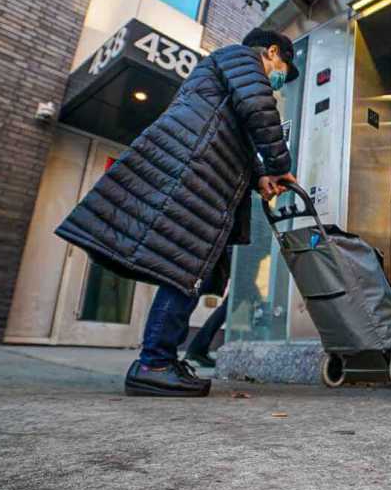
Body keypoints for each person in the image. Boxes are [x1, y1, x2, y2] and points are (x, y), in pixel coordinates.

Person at [56, 28, 298, 397]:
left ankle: (160, 358)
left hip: (198, 173)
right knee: (187, 268)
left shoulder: (227, 72)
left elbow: (233, 133)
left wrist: (260, 177)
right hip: (195, 173)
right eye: (283, 67)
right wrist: (280, 163)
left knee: (187, 270)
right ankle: (154, 364)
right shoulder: (241, 58)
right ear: (272, 51)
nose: (279, 78)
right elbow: (257, 108)